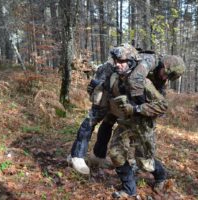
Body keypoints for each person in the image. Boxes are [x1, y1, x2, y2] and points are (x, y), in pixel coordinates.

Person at [68, 43, 186, 175]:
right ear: (164, 65)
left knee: (109, 120)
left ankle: (98, 156)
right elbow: (135, 81)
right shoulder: (149, 61)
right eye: (165, 74)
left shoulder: (162, 74)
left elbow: (159, 96)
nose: (164, 78)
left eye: (167, 77)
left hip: (122, 90)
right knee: (94, 117)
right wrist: (138, 108)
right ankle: (76, 155)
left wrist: (150, 110)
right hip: (107, 82)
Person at [106, 46, 181, 198]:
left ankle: (161, 176)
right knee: (115, 154)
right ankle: (129, 189)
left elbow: (162, 105)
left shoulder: (144, 82)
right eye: (116, 61)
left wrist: (135, 109)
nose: (117, 64)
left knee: (144, 163)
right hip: (126, 122)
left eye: (122, 61)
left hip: (143, 126)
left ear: (131, 63)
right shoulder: (117, 77)